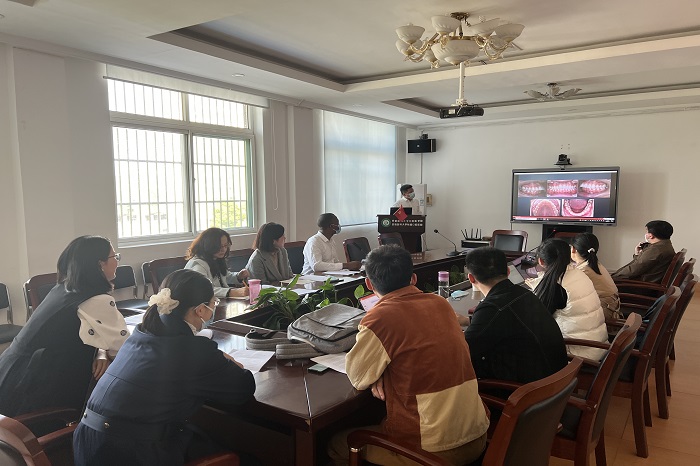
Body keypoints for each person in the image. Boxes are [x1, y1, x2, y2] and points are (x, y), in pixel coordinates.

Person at [73, 269, 256, 466]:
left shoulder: (140, 335)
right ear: (200, 310)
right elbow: (243, 387)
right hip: (131, 453)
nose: (213, 309)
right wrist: (226, 360)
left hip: (88, 445)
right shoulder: (192, 350)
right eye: (214, 303)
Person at [328, 245, 489, 466]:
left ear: (369, 284)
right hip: (478, 435)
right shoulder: (441, 304)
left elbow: (358, 377)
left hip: (433, 453)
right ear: (413, 278)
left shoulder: (380, 318)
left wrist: (379, 373)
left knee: (337, 443)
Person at [0, 236, 129, 417]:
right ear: (100, 264)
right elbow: (124, 351)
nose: (117, 261)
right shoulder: (96, 300)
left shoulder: (63, 288)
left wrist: (101, 352)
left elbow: (87, 333)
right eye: (114, 256)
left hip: (10, 374)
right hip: (34, 389)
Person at [458, 247, 568, 383]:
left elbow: (463, 349)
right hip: (557, 378)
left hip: (532, 390)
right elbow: (504, 322)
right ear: (508, 271)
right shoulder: (525, 294)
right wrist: (468, 321)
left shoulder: (492, 307)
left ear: (471, 278)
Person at [526, 239, 608, 361]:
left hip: (576, 356)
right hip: (597, 346)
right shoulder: (579, 273)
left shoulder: (557, 286)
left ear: (541, 261)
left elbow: (535, 321)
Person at [185, 227, 249, 298]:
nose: (223, 249)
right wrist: (231, 292)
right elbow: (203, 289)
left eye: (225, 245)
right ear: (208, 246)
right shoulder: (197, 264)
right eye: (219, 246)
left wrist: (238, 276)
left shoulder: (216, 259)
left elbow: (225, 277)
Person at [571, 233, 622, 320]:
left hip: (603, 313)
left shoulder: (583, 271)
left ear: (573, 249)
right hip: (610, 308)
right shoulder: (594, 265)